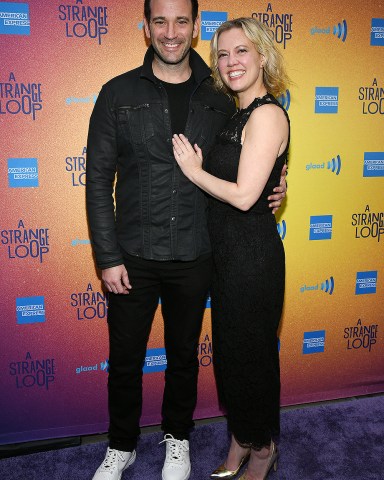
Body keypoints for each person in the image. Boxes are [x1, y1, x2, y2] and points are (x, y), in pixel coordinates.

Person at [86, 1, 287, 478]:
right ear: (146, 27)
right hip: (133, 254)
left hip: (199, 253)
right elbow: (97, 180)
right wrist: (108, 256)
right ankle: (121, 446)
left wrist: (275, 186)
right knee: (126, 361)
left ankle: (178, 438)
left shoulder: (220, 94)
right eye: (160, 20)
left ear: (196, 28)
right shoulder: (117, 93)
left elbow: (247, 160)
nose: (170, 32)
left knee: (184, 357)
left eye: (181, 21)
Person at [172, 17, 290, 480]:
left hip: (252, 259)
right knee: (232, 358)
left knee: (251, 357)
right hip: (227, 258)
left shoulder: (266, 113)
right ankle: (242, 439)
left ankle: (263, 450)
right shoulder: (237, 113)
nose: (230, 61)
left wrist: (193, 170)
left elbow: (244, 195)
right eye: (222, 53)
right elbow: (259, 184)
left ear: (262, 56)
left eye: (241, 51)